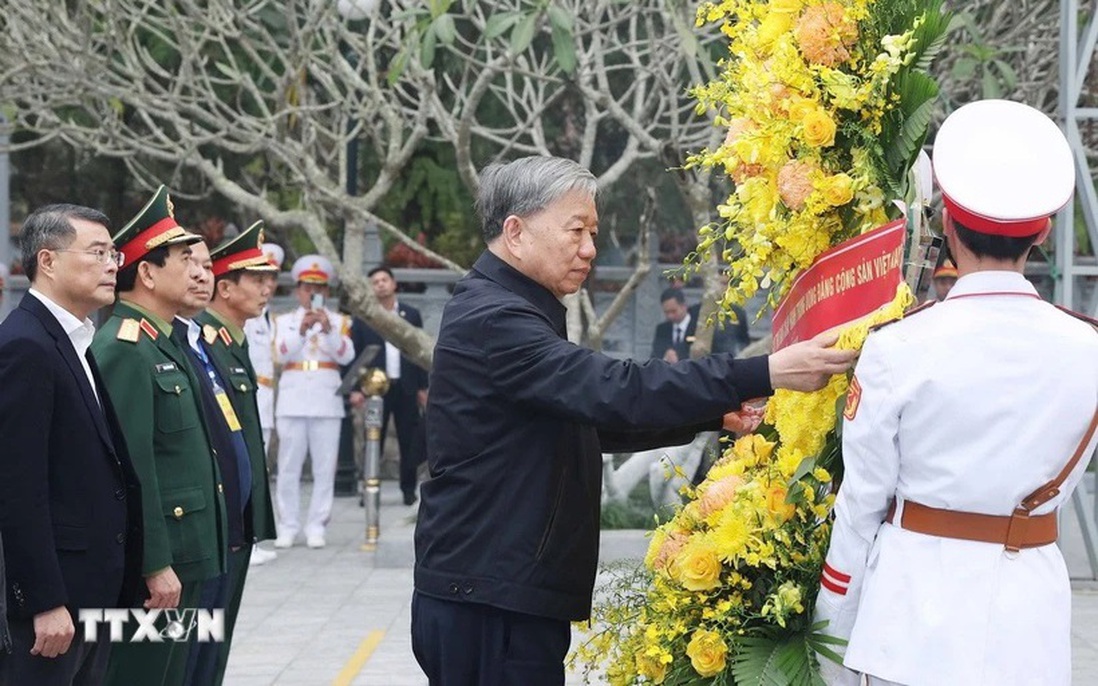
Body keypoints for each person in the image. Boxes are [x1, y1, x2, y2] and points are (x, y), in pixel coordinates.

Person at [411, 155, 856, 684]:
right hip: (489, 599)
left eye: (593, 232)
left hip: (497, 591)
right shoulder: (496, 319)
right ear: (516, 231)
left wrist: (716, 411)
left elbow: (581, 421)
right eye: (575, 230)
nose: (589, 250)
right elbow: (612, 389)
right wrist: (764, 371)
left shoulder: (511, 307)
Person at [813, 100, 1098, 686]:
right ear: (1042, 233)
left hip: (912, 624)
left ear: (945, 225)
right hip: (1030, 626)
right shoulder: (1088, 348)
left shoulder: (896, 348)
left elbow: (862, 507)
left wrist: (831, 633)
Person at [0, 204, 143, 686]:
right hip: (52, 607)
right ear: (48, 261)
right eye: (98, 252)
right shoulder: (26, 345)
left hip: (88, 594)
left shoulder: (74, 339)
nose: (112, 265)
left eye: (114, 253)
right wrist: (43, 600)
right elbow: (18, 487)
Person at [92, 186, 228, 686]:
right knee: (142, 676)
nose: (198, 272)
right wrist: (153, 563)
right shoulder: (127, 349)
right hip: (161, 561)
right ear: (146, 273)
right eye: (183, 260)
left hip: (186, 548)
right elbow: (132, 468)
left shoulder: (161, 342)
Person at [273, 255, 355, 549]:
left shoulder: (339, 322)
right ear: (298, 290)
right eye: (307, 287)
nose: (312, 293)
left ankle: (317, 525)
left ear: (327, 292)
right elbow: (281, 355)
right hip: (293, 399)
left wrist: (329, 331)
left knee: (324, 468)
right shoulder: (283, 321)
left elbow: (346, 356)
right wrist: (302, 331)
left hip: (325, 400)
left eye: (319, 288)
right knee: (288, 467)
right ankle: (288, 524)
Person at [352, 266, 429, 506]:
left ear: (394, 284)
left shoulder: (411, 314)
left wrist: (422, 387)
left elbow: (420, 351)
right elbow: (357, 354)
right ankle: (368, 487)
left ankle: (408, 489)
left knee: (410, 440)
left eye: (385, 280)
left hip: (405, 386)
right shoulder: (365, 318)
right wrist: (357, 388)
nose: (381, 284)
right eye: (375, 281)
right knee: (373, 438)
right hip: (376, 389)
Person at [241, 241, 283, 567]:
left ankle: (255, 535)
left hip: (265, 399)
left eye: (271, 278)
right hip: (245, 398)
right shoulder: (246, 314)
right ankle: (247, 538)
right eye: (260, 278)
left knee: (260, 466)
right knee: (246, 469)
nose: (267, 285)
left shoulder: (270, 317)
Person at [651, 287, 696, 362]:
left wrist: (679, 357)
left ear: (684, 306)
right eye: (666, 312)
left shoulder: (698, 328)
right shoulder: (662, 329)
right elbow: (655, 356)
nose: (670, 316)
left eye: (673, 311)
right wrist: (665, 358)